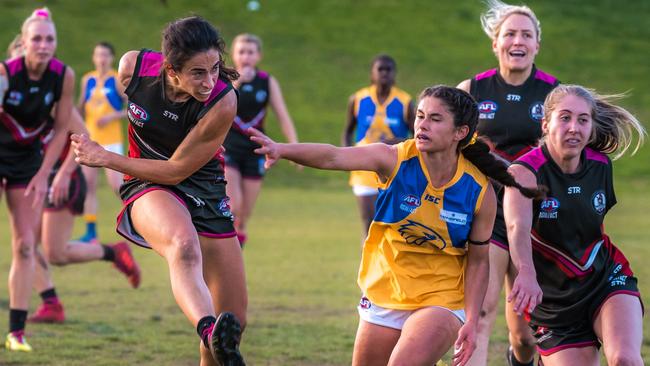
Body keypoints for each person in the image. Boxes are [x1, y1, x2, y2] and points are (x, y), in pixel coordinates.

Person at [251, 85, 545, 366]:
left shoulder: (478, 189)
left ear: (460, 132)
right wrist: (281, 149)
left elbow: (479, 262)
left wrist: (470, 320)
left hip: (442, 298)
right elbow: (333, 156)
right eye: (420, 116)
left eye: (435, 118)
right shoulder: (393, 159)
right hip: (385, 291)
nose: (422, 125)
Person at [71, 16, 246, 366]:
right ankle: (207, 328)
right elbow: (161, 173)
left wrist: (105, 158)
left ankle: (213, 337)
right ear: (171, 69)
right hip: (147, 182)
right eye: (198, 73)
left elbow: (178, 169)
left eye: (214, 68)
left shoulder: (223, 101)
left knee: (234, 325)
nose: (209, 81)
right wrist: (109, 155)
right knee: (183, 246)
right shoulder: (132, 69)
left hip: (203, 186)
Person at [505, 85, 645, 366]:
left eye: (583, 120)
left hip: (604, 279)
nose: (574, 127)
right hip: (553, 300)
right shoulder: (524, 172)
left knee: (625, 359)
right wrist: (527, 272)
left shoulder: (601, 166)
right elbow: (516, 227)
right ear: (546, 124)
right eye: (565, 117)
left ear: (592, 128)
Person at [457, 1, 559, 364]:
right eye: (510, 33)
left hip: (536, 218)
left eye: (526, 35)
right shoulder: (471, 90)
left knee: (529, 333)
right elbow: (448, 148)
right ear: (495, 43)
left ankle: (520, 356)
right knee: (479, 313)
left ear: (536, 45)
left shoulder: (554, 95)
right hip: (486, 214)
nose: (518, 40)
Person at [1, 8, 75, 352]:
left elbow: (63, 129)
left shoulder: (63, 76)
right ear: (24, 42)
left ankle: (15, 334)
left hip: (27, 163)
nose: (44, 45)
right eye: (37, 39)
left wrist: (48, 173)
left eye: (50, 39)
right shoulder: (5, 73)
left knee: (26, 245)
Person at [28, 109, 140, 324]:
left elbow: (84, 136)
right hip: (34, 179)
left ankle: (113, 252)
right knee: (24, 244)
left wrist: (64, 173)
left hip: (63, 181)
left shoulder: (54, 97)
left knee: (55, 254)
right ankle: (51, 304)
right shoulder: (12, 100)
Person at [223, 33, 299, 246]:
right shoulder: (226, 79)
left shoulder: (267, 81)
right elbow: (217, 105)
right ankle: (223, 256)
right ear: (234, 55)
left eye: (250, 52)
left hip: (255, 151)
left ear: (258, 56)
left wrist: (293, 149)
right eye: (241, 52)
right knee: (234, 206)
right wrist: (238, 83)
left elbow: (282, 116)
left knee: (244, 216)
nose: (245, 56)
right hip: (228, 148)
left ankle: (235, 257)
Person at [343, 55, 414, 243]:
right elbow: (347, 131)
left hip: (393, 168)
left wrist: (394, 141)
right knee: (369, 222)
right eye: (380, 69)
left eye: (388, 69)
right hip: (363, 169)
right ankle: (367, 268)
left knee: (392, 225)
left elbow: (417, 137)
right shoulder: (358, 98)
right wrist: (347, 157)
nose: (384, 73)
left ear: (394, 74)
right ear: (372, 73)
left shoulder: (405, 101)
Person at [77, 41, 127, 244]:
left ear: (112, 58)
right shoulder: (87, 80)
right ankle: (91, 232)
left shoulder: (116, 79)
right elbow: (80, 107)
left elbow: (131, 107)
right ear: (93, 57)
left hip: (112, 142)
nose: (102, 59)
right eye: (98, 55)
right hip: (91, 140)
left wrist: (113, 116)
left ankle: (138, 222)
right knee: (88, 185)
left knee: (118, 186)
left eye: (105, 55)